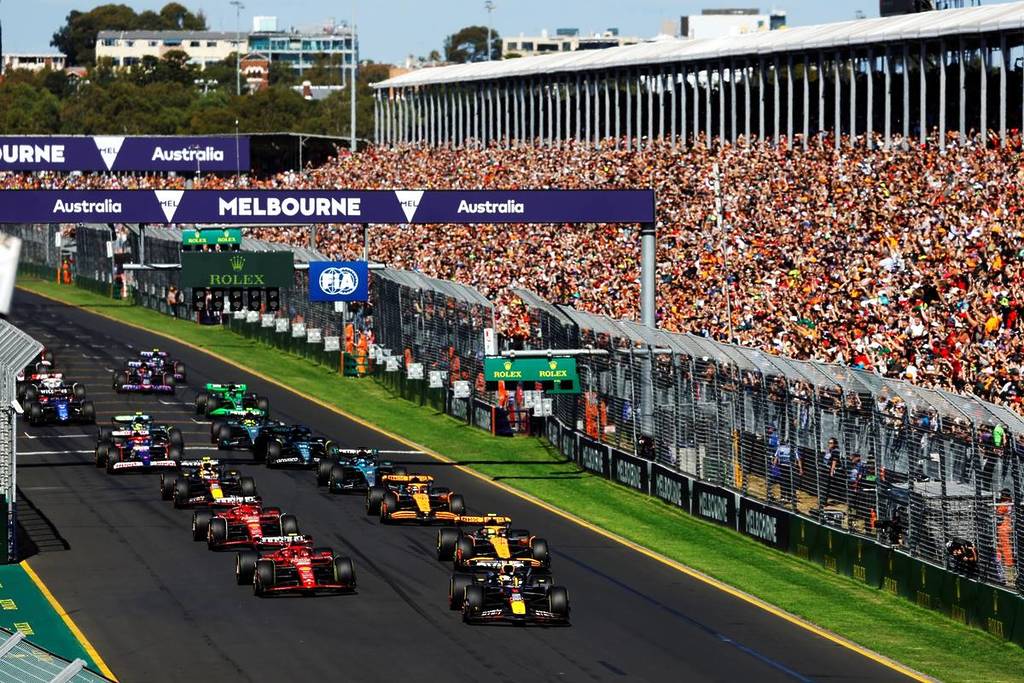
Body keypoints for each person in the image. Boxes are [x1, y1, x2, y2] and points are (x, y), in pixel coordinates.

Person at [820, 437, 842, 506]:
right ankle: (822, 500)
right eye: (829, 443)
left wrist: (831, 472)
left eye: (831, 443)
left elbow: (834, 462)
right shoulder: (828, 451)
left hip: (828, 470)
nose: (829, 444)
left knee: (825, 486)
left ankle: (823, 502)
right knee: (822, 486)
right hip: (824, 469)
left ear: (835, 444)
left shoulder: (835, 451)